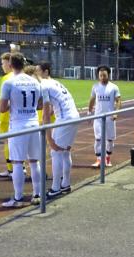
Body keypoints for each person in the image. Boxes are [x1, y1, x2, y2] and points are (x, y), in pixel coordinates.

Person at [0, 52, 43, 207]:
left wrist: (13, 105)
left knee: (17, 162)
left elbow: (3, 108)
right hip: (33, 124)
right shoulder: (36, 82)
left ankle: (17, 199)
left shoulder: (9, 83)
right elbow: (40, 105)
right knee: (34, 161)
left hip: (18, 125)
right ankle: (37, 194)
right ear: (24, 64)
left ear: (10, 65)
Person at [36, 61, 79, 198]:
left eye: (38, 71)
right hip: (74, 116)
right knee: (65, 152)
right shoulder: (55, 83)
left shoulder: (44, 84)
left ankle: (55, 188)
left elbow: (46, 112)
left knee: (56, 153)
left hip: (65, 119)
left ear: (46, 72)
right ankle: (65, 184)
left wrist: (49, 138)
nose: (36, 74)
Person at [88, 65, 121, 168]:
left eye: (104, 75)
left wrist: (116, 113)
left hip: (110, 118)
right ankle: (98, 159)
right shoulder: (95, 86)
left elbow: (118, 101)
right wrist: (89, 112)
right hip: (98, 117)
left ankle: (107, 157)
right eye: (100, 75)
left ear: (108, 75)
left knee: (110, 140)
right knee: (98, 139)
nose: (102, 77)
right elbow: (92, 99)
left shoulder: (114, 87)